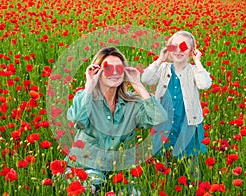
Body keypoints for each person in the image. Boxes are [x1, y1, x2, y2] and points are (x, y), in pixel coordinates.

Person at [65, 46, 167, 194]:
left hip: (118, 171)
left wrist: (138, 85)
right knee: (92, 189)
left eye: (119, 68)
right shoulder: (86, 98)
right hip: (85, 168)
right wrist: (89, 86)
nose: (114, 72)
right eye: (107, 68)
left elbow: (158, 118)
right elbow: (78, 120)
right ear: (97, 71)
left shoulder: (132, 103)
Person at [141, 31, 212, 182]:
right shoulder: (163, 68)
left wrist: (197, 61)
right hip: (164, 119)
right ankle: (165, 184)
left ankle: (195, 185)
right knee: (163, 155)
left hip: (187, 120)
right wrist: (160, 60)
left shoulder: (193, 71)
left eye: (184, 46)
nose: (179, 50)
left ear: (192, 51)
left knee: (190, 156)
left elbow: (205, 84)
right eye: (174, 46)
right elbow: (146, 78)